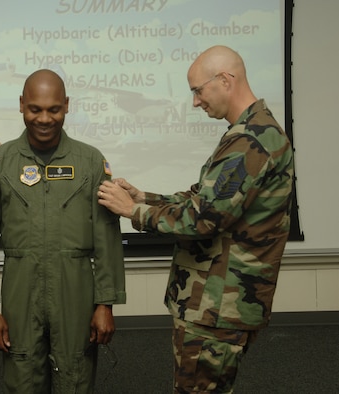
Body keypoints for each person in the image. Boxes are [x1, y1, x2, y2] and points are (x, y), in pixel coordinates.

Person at [98, 45, 295, 393]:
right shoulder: (251, 131)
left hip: (217, 306)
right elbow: (206, 201)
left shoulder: (251, 141)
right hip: (217, 304)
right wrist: (145, 197)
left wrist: (132, 211)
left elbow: (202, 220)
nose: (195, 102)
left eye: (198, 90)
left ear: (225, 80)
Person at [0, 69, 126, 393]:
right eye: (35, 109)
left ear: (67, 105)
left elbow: (107, 237)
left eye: (53, 109)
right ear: (21, 106)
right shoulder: (0, 163)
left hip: (76, 293)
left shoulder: (91, 162)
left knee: (75, 375)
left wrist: (105, 304)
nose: (44, 118)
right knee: (22, 377)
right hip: (20, 292)